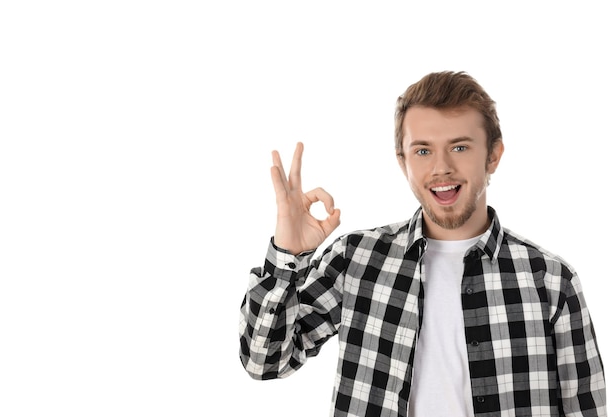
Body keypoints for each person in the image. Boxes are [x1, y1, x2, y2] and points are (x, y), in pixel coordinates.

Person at [238, 71, 607, 416]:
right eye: (423, 150)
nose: (440, 168)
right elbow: (264, 361)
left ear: (493, 156)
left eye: (460, 148)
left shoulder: (551, 280)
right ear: (403, 161)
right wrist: (287, 255)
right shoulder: (357, 259)